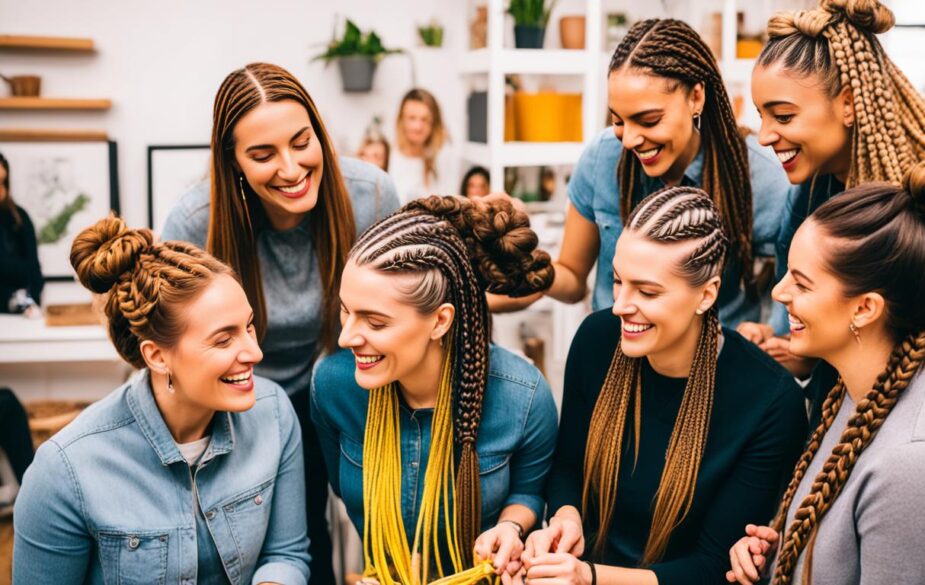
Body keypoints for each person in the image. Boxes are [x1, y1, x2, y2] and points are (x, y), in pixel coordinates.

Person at [162, 62, 400, 584]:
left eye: (301, 142)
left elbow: (404, 312)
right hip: (240, 406)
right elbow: (171, 341)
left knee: (382, 528)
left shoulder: (372, 197)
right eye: (263, 155)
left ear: (319, 131)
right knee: (287, 547)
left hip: (346, 396)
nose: (291, 168)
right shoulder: (194, 222)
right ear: (234, 164)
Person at [742, 0, 925, 422]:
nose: (764, 136)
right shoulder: (812, 189)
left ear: (849, 103)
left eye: (783, 115)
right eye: (761, 116)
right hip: (828, 439)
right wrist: (789, 343)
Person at [726, 164, 925, 585]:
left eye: (802, 284)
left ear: (865, 309)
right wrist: (780, 554)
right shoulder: (864, 388)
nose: (779, 292)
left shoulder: (917, 468)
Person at [522, 186, 807, 584]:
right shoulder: (597, 339)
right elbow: (568, 465)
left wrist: (590, 578)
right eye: (618, 281)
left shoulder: (771, 402)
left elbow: (713, 568)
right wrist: (566, 518)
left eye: (648, 291)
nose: (621, 304)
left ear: (706, 294)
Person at [14, 216, 310, 584]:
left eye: (248, 326)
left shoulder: (274, 414)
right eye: (223, 339)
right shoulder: (64, 471)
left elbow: (286, 553)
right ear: (157, 356)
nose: (254, 352)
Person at [311, 196, 559, 584]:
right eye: (346, 310)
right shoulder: (333, 387)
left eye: (375, 323)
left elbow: (530, 493)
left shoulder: (523, 398)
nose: (346, 337)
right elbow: (343, 494)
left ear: (440, 321)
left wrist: (510, 528)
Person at [491, 19, 791, 327]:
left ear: (696, 98)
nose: (630, 139)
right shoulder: (603, 159)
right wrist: (524, 267)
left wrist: (771, 338)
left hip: (715, 366)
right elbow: (572, 278)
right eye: (619, 120)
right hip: (617, 357)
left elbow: (795, 285)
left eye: (648, 120)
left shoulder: (755, 176)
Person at [390, 88, 458, 203]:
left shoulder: (444, 156)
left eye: (424, 120)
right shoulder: (390, 155)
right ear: (402, 120)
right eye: (412, 118)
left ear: (433, 123)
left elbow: (451, 201)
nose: (418, 127)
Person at [0, 151, 44, 315]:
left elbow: (34, 272)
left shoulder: (19, 218)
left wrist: (27, 302)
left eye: (3, 182)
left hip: (20, 314)